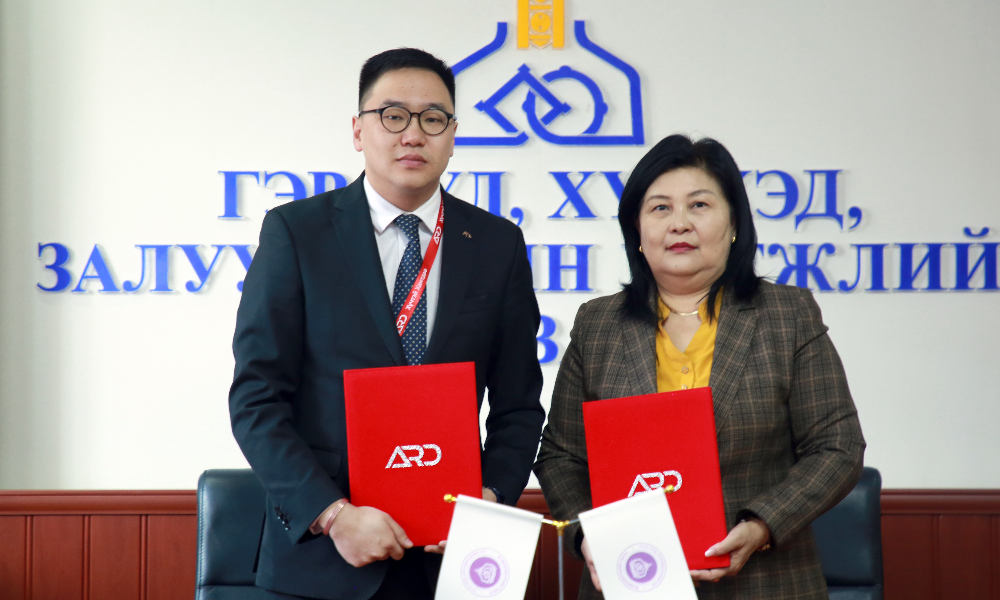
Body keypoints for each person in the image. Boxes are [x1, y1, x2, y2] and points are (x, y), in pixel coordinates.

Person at [229, 48, 545, 600]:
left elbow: (518, 405)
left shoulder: (497, 244)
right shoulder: (297, 234)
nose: (413, 134)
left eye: (433, 118)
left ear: (453, 134)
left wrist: (490, 500)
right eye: (393, 116)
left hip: (452, 557)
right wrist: (333, 515)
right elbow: (256, 398)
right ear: (358, 130)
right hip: (325, 559)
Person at [534, 134, 865, 599]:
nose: (680, 224)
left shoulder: (786, 315)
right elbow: (560, 455)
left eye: (699, 205)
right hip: (629, 580)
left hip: (763, 583)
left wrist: (761, 524)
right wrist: (589, 534)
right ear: (637, 231)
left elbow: (837, 445)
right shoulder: (598, 325)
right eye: (660, 208)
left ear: (734, 223)